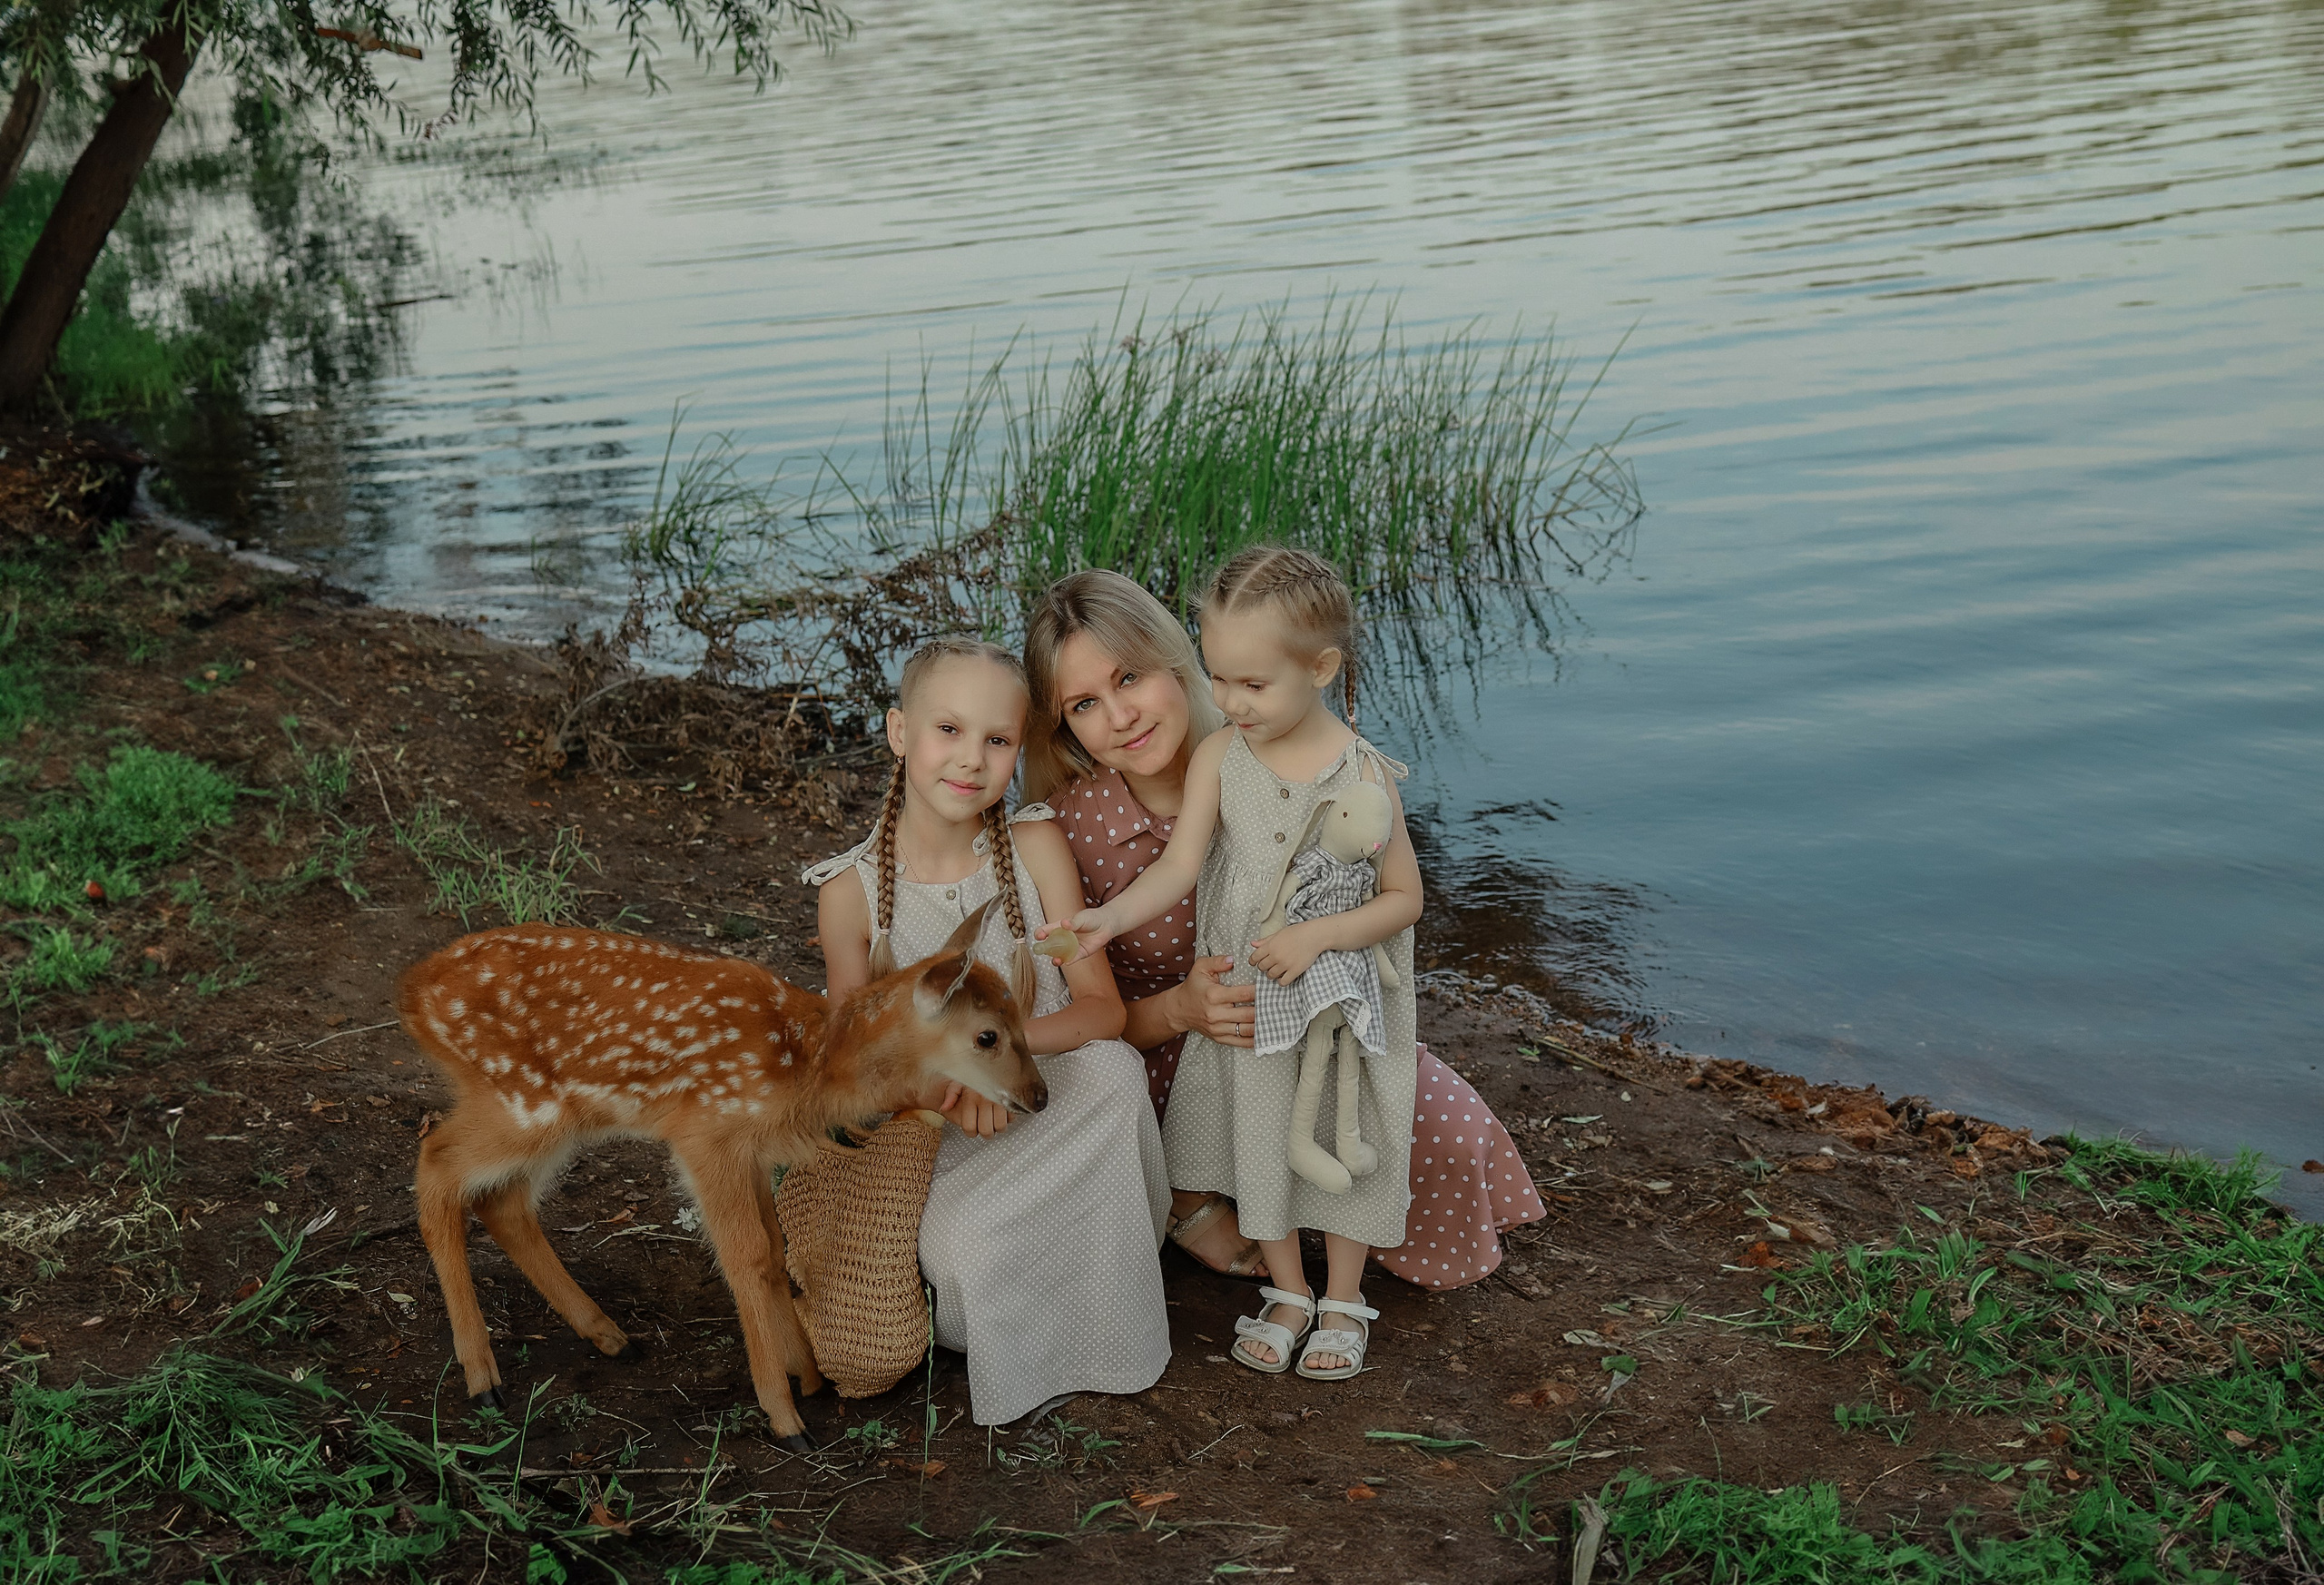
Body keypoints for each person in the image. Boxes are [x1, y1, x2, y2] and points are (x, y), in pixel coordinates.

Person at [1022, 568, 1543, 1297]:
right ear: (1064, 724)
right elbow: (1091, 1026)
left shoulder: (1279, 748)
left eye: (1130, 677)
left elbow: (1379, 891)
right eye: (1084, 704)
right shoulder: (1069, 830)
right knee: (1230, 1133)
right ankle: (1191, 1200)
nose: (1119, 716)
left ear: (1180, 660)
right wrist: (1182, 1010)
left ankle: (1356, 1261)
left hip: (1311, 1009)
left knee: (1442, 1136)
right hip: (1175, 1055)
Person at [1043, 549, 1422, 1381]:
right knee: (1259, 1132)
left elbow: (1405, 900)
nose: (1231, 703)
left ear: (1320, 668)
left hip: (1341, 994)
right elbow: (1177, 870)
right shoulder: (1225, 759)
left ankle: (1347, 1296)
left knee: (1345, 1128)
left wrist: (1319, 938)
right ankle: (1289, 1292)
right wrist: (1106, 918)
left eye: (1251, 684)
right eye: (1219, 679)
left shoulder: (1363, 774)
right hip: (1256, 997)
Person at [806, 636, 1171, 1424]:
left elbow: (1100, 1007)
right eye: (948, 731)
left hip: (1046, 1093)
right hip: (936, 1133)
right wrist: (951, 1083)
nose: (970, 760)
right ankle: (1043, 1280)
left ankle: (1099, 1303)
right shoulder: (849, 896)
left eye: (997, 740)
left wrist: (999, 1060)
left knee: (1112, 1071)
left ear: (1018, 749)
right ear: (901, 733)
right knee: (964, 1260)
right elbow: (852, 1068)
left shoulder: (1037, 849)